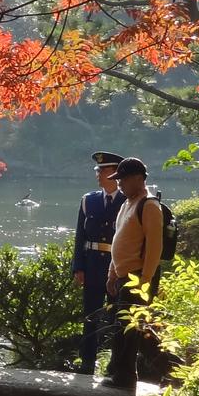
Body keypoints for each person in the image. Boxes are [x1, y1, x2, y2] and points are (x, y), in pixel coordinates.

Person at [102, 156, 163, 389]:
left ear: (138, 179)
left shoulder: (149, 205)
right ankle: (121, 372)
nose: (119, 184)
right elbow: (118, 239)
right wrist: (112, 273)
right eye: (118, 180)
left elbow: (154, 247)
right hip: (124, 276)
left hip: (139, 276)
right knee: (122, 326)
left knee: (130, 329)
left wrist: (145, 281)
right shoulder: (127, 204)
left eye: (123, 179)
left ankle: (126, 377)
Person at [70, 150, 125, 374]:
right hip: (92, 264)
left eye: (103, 170)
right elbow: (79, 237)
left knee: (116, 316)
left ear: (115, 174)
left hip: (117, 266)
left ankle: (115, 363)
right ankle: (87, 362)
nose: (98, 174)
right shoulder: (88, 200)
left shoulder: (129, 201)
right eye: (98, 170)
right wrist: (78, 267)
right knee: (90, 315)